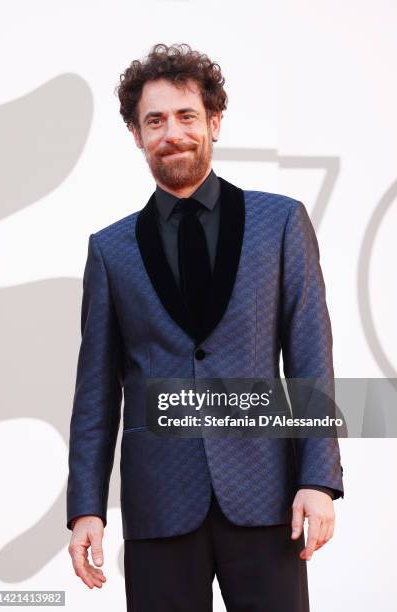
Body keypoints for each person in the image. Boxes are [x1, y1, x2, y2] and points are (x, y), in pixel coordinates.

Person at [66, 43, 344, 611]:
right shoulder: (110, 250)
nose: (173, 132)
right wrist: (86, 508)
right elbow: (95, 392)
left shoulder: (281, 222)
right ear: (136, 134)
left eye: (187, 116)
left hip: (267, 497)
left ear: (214, 121)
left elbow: (310, 356)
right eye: (155, 120)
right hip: (158, 504)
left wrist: (319, 478)